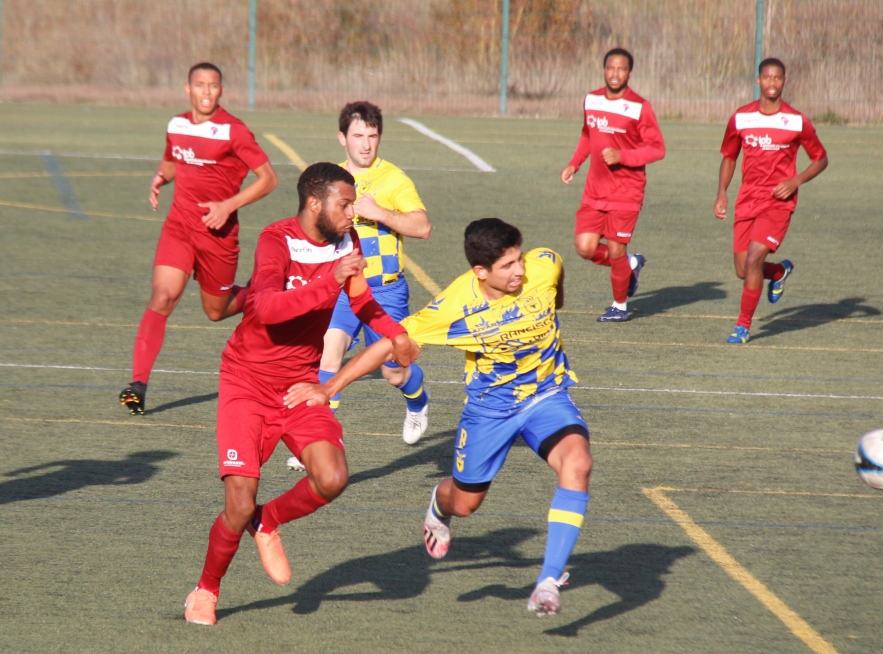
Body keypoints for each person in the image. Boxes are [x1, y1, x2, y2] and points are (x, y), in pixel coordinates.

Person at [285, 218, 593, 617]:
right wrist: (329, 388)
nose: (519, 270)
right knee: (464, 504)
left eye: (519, 259)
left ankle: (548, 582)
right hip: (489, 412)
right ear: (480, 271)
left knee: (578, 464)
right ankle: (439, 507)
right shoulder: (454, 305)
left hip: (547, 396)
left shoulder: (544, 264)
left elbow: (555, 287)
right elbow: (389, 345)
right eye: (507, 266)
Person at [183, 162, 419, 626]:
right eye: (345, 204)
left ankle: (267, 520)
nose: (352, 213)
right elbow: (268, 308)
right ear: (315, 203)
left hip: (299, 385)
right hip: (247, 382)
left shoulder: (348, 241)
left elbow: (361, 301)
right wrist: (329, 280)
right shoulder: (276, 240)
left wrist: (396, 334)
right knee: (238, 503)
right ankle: (206, 590)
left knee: (332, 478)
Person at [120, 62, 278, 414]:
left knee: (215, 311)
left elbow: (268, 178)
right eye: (200, 84)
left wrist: (228, 206)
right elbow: (172, 160)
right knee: (163, 296)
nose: (207, 91)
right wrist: (161, 177)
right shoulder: (176, 124)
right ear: (187, 89)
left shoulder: (234, 131)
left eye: (213, 85)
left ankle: (262, 292)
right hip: (179, 226)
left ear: (221, 91)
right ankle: (138, 385)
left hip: (218, 235)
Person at [312, 101, 433, 451]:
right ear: (342, 138)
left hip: (385, 292)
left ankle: (418, 401)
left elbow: (423, 227)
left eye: (372, 136)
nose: (366, 144)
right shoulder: (330, 179)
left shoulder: (393, 179)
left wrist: (379, 212)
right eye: (358, 136)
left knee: (393, 371)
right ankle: (320, 444)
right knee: (329, 354)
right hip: (343, 291)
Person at [714, 58, 829, 344]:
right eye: (767, 77)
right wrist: (722, 193)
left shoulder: (796, 120)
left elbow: (821, 159)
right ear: (758, 81)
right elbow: (729, 157)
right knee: (743, 269)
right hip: (747, 199)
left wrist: (795, 181)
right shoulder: (741, 118)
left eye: (777, 78)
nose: (772, 83)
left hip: (778, 202)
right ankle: (779, 271)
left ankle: (742, 327)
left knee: (754, 259)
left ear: (784, 82)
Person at [561, 47, 665, 323]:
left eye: (621, 69)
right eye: (610, 68)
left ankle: (620, 306)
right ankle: (630, 264)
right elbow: (588, 135)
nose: (615, 73)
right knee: (585, 247)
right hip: (594, 190)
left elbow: (657, 148)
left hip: (626, 192)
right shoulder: (592, 99)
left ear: (629, 73)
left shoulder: (640, 107)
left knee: (616, 249)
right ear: (604, 70)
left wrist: (623, 157)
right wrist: (574, 163)